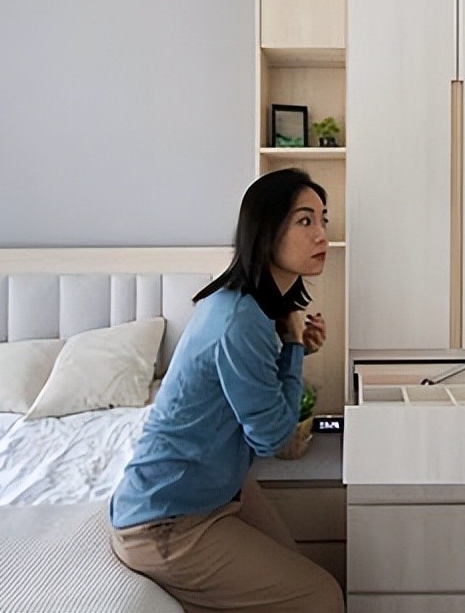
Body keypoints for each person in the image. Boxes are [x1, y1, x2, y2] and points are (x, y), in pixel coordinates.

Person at [109, 168, 345, 613]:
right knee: (322, 596)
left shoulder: (244, 306)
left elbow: (251, 395)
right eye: (305, 221)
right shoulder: (240, 320)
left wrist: (292, 347)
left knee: (299, 576)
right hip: (165, 521)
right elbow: (273, 438)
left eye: (323, 219)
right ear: (266, 230)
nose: (322, 235)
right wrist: (294, 346)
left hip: (214, 491)